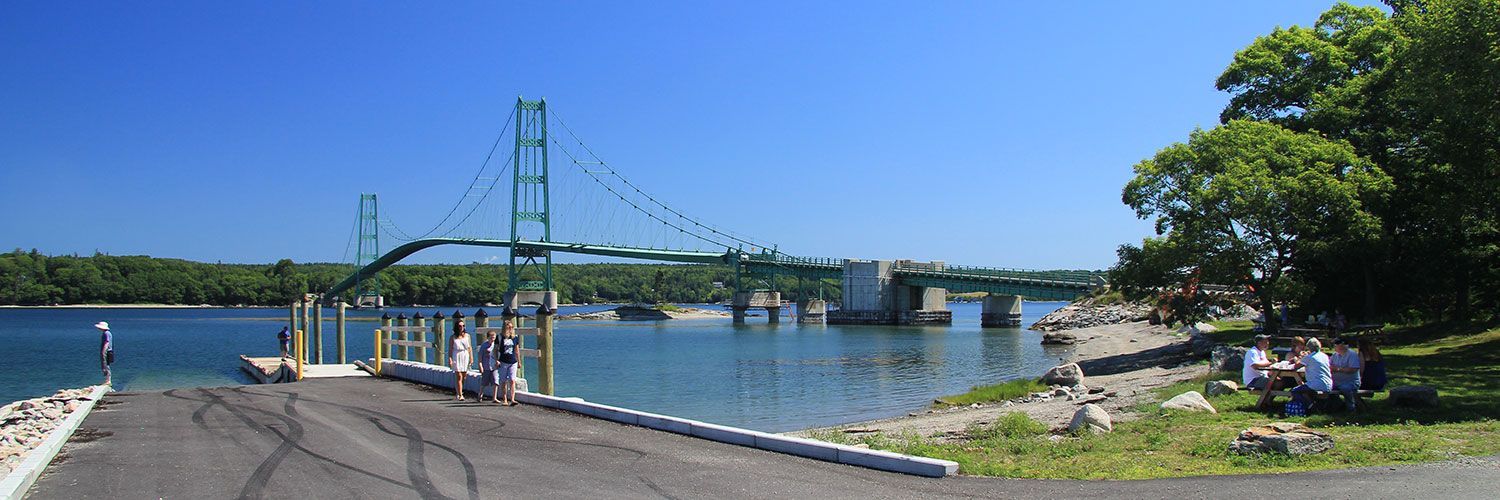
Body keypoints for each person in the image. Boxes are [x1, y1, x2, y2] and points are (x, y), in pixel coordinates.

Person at [1290, 338, 1333, 411]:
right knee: (1305, 389)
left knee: (1295, 391)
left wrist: (1300, 358)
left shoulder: (1309, 358)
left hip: (1316, 384)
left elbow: (1296, 366)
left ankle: (1310, 406)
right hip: (1328, 383)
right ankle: (1315, 405)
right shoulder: (1324, 356)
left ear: (1308, 348)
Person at [1329, 337, 1363, 411]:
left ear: (1342, 345)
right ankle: (1337, 406)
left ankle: (1351, 407)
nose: (1334, 346)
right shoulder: (1335, 355)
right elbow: (1329, 366)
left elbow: (1353, 369)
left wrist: (1338, 369)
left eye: (1336, 344)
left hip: (1351, 382)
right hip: (1336, 382)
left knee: (1345, 388)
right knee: (1326, 388)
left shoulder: (1352, 355)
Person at [497, 322, 520, 406]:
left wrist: (519, 361)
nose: (511, 329)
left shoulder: (515, 338)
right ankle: (505, 399)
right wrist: (496, 360)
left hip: (513, 361)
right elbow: (496, 349)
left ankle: (513, 399)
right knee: (503, 381)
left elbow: (517, 350)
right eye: (509, 327)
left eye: (512, 327)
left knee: (512, 380)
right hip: (503, 361)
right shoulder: (500, 337)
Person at [449, 320, 472, 401]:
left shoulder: (467, 336)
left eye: (463, 326)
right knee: (458, 375)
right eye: (460, 326)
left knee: (464, 375)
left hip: (465, 355)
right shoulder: (453, 337)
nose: (461, 328)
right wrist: (450, 359)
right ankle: (460, 394)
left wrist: (471, 359)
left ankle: (459, 390)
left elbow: (469, 348)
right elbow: (450, 349)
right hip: (457, 355)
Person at [477, 332, 501, 403]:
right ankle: (480, 395)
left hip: (494, 367)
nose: (492, 339)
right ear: (487, 338)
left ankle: (494, 397)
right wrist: (480, 365)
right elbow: (480, 356)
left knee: (495, 382)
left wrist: (498, 362)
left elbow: (498, 354)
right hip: (486, 366)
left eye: (494, 338)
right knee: (484, 382)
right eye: (491, 338)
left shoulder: (496, 346)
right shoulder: (484, 345)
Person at [95, 321, 114, 386]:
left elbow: (107, 342)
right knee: (105, 365)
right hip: (108, 351)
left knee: (106, 365)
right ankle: (107, 379)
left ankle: (108, 380)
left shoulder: (106, 333)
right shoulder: (106, 333)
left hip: (107, 351)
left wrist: (103, 351)